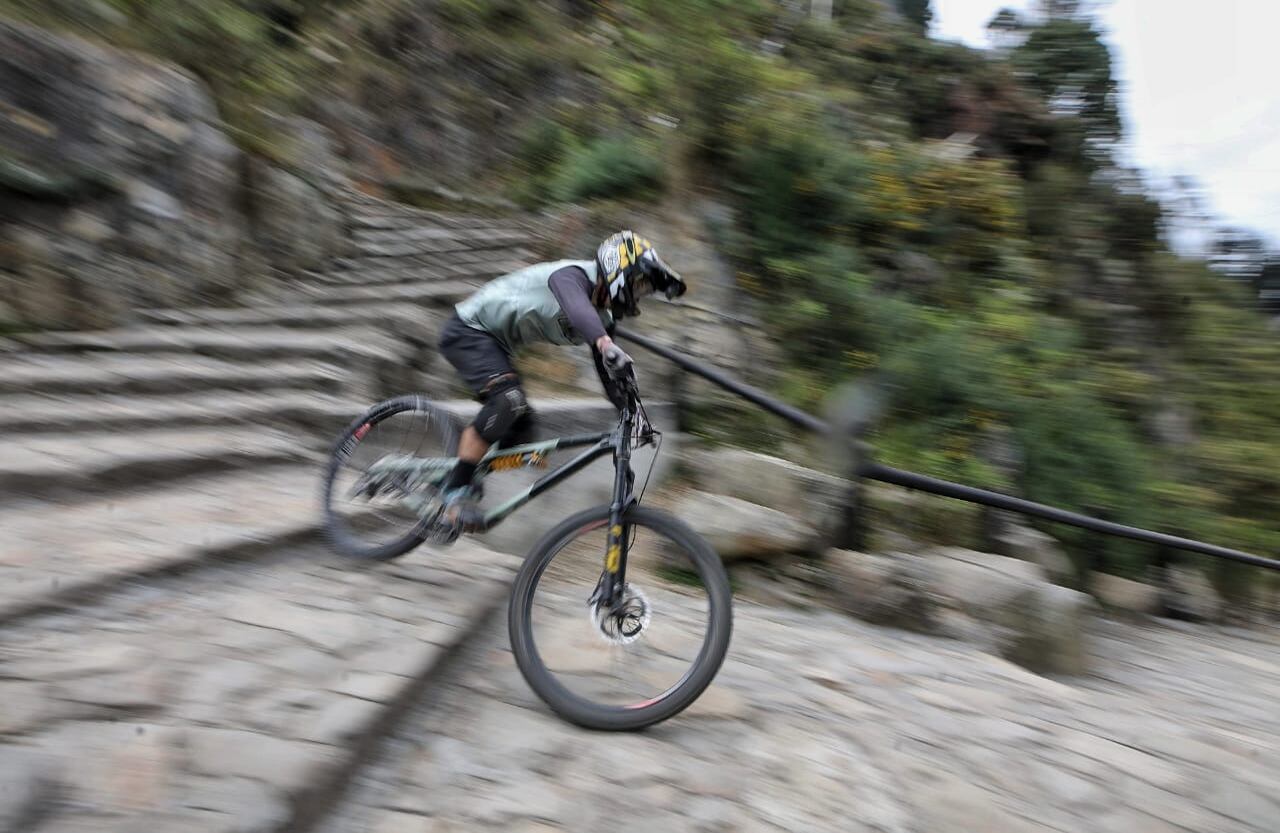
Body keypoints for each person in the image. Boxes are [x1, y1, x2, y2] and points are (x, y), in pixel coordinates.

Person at [436, 230, 686, 532]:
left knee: (523, 428)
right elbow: (578, 309)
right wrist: (606, 344)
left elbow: (608, 374)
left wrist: (631, 410)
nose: (641, 293)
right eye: (641, 284)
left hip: (495, 345)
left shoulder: (602, 318)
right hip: (468, 330)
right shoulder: (572, 277)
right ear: (619, 268)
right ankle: (454, 493)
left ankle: (466, 468)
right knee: (508, 400)